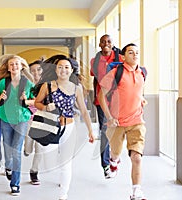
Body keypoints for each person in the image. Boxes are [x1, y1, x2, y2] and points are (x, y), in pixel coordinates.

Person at [34, 55, 94, 200]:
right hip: (50, 127)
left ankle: (63, 194)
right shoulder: (47, 86)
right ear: (55, 70)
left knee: (66, 163)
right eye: (60, 67)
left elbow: (84, 111)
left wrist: (90, 131)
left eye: (67, 67)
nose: (63, 70)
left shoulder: (76, 88)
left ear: (71, 70)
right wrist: (46, 107)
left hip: (68, 127)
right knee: (50, 160)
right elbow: (37, 103)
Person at [98, 43, 147, 200]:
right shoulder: (115, 72)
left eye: (137, 52)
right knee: (115, 152)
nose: (135, 55)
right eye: (131, 52)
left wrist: (141, 100)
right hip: (117, 122)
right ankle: (114, 161)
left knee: (136, 157)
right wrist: (109, 117)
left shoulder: (142, 72)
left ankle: (136, 191)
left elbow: (136, 92)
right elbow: (101, 95)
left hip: (137, 121)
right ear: (123, 57)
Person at [0, 54, 34, 196]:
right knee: (8, 149)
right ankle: (8, 166)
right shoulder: (4, 82)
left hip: (22, 119)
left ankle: (15, 184)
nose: (14, 66)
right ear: (8, 68)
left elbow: (35, 100)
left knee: (16, 151)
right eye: (11, 64)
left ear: (21, 66)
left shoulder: (27, 83)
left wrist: (26, 100)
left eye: (17, 64)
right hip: (5, 118)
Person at [90, 34, 123, 178]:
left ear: (112, 43)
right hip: (101, 100)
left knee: (116, 130)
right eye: (103, 42)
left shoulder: (120, 58)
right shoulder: (94, 61)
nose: (106, 44)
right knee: (104, 130)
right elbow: (95, 80)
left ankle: (114, 157)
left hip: (117, 100)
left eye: (108, 41)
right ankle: (105, 165)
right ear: (99, 44)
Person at [23, 59, 43, 185]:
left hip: (43, 121)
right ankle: (26, 149)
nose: (36, 73)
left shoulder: (47, 85)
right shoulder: (26, 85)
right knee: (29, 148)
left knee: (39, 148)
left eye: (38, 70)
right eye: (33, 71)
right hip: (29, 120)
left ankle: (34, 172)